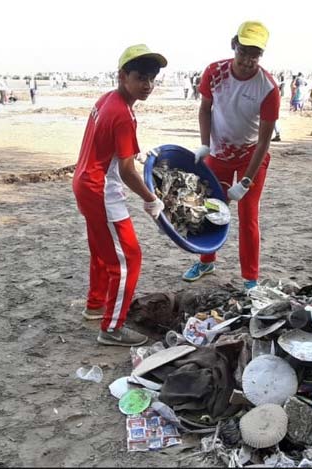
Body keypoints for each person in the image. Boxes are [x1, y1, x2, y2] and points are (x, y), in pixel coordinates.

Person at [72, 44, 167, 346]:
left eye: (152, 78)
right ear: (122, 75)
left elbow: (116, 153)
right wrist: (150, 198)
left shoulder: (107, 100)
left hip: (85, 181)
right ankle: (112, 327)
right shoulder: (124, 115)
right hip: (101, 190)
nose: (147, 85)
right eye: (140, 77)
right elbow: (126, 171)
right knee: (128, 258)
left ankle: (95, 304)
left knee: (102, 250)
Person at [181, 20, 280, 291]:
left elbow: (264, 140)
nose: (248, 60)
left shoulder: (268, 87)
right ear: (233, 45)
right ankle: (206, 260)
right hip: (219, 153)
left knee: (248, 216)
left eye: (255, 54)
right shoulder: (214, 72)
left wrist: (245, 181)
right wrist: (204, 144)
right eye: (243, 51)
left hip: (251, 154)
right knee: (210, 207)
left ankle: (250, 278)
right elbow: (205, 109)